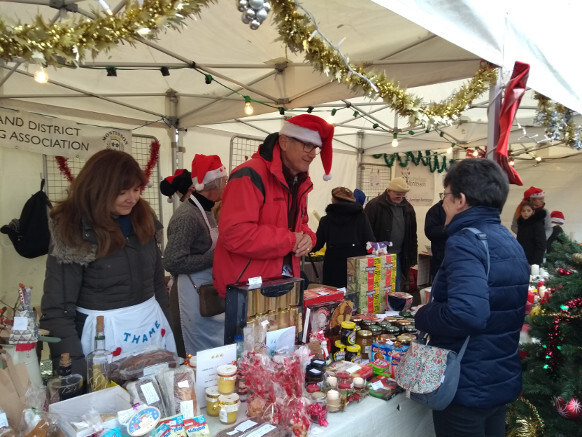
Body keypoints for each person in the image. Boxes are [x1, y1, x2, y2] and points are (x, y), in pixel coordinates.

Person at [414, 159, 529, 437]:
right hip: (497, 377)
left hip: (465, 382)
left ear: (461, 200)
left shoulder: (466, 240)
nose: (443, 204)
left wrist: (423, 314)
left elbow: (467, 313)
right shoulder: (508, 239)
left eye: (446, 196)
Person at [40, 149, 176, 377]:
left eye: (136, 189)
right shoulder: (73, 228)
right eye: (122, 192)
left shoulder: (144, 217)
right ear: (98, 188)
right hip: (102, 337)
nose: (132, 198)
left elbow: (157, 286)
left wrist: (171, 332)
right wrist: (75, 372)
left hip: (151, 327)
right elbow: (57, 309)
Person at [213, 114, 334, 296]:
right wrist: (292, 240)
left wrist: (309, 238)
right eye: (307, 145)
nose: (312, 154)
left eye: (315, 148)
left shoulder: (298, 180)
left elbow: (300, 225)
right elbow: (234, 234)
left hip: (280, 284)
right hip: (247, 288)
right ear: (284, 142)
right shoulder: (249, 175)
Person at [162, 155, 228, 356]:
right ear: (212, 186)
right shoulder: (187, 216)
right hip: (188, 295)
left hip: (205, 290)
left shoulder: (206, 211)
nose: (226, 185)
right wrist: (217, 257)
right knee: (193, 353)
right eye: (224, 181)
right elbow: (172, 261)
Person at [312, 187, 375, 288]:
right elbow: (370, 241)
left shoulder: (326, 220)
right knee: (355, 296)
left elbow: (316, 244)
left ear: (334, 200)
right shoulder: (361, 217)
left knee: (333, 297)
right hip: (356, 264)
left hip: (333, 266)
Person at [364, 177, 417, 292]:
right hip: (378, 254)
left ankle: (393, 309)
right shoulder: (374, 206)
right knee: (376, 288)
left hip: (399, 255)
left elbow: (412, 234)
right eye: (398, 195)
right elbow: (365, 231)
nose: (401, 198)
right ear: (389, 191)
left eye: (403, 195)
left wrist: (412, 256)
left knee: (394, 288)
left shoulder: (408, 208)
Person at [516, 201, 546, 265]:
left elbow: (541, 245)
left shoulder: (537, 224)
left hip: (533, 260)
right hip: (522, 259)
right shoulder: (521, 224)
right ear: (521, 212)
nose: (525, 213)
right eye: (523, 211)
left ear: (533, 212)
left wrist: (535, 263)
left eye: (528, 210)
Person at [424, 198, 447, 281]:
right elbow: (430, 232)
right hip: (440, 257)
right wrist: (448, 227)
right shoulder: (435, 210)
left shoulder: (467, 210)